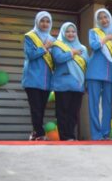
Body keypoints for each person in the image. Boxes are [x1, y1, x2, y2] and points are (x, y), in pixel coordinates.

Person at [85, 8, 112, 140]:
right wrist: (106, 38)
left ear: (110, 18)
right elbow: (94, 45)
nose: (104, 20)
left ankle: (105, 134)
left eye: (106, 17)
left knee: (108, 104)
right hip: (94, 72)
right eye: (100, 18)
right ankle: (95, 135)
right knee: (93, 105)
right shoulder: (93, 32)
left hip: (110, 74)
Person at [50, 22, 87, 141]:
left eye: (73, 31)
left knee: (73, 113)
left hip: (78, 85)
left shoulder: (83, 48)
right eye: (67, 31)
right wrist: (72, 53)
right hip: (62, 85)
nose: (70, 34)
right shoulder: (58, 45)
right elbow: (58, 59)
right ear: (63, 32)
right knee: (62, 112)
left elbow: (86, 66)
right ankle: (64, 137)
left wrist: (86, 84)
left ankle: (71, 135)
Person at [22, 11, 55, 140]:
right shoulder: (30, 36)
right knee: (36, 108)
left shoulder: (53, 39)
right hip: (32, 79)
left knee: (41, 108)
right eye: (42, 21)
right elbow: (29, 55)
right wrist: (44, 47)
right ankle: (40, 133)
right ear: (37, 22)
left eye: (47, 21)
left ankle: (36, 133)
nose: (45, 24)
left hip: (47, 81)